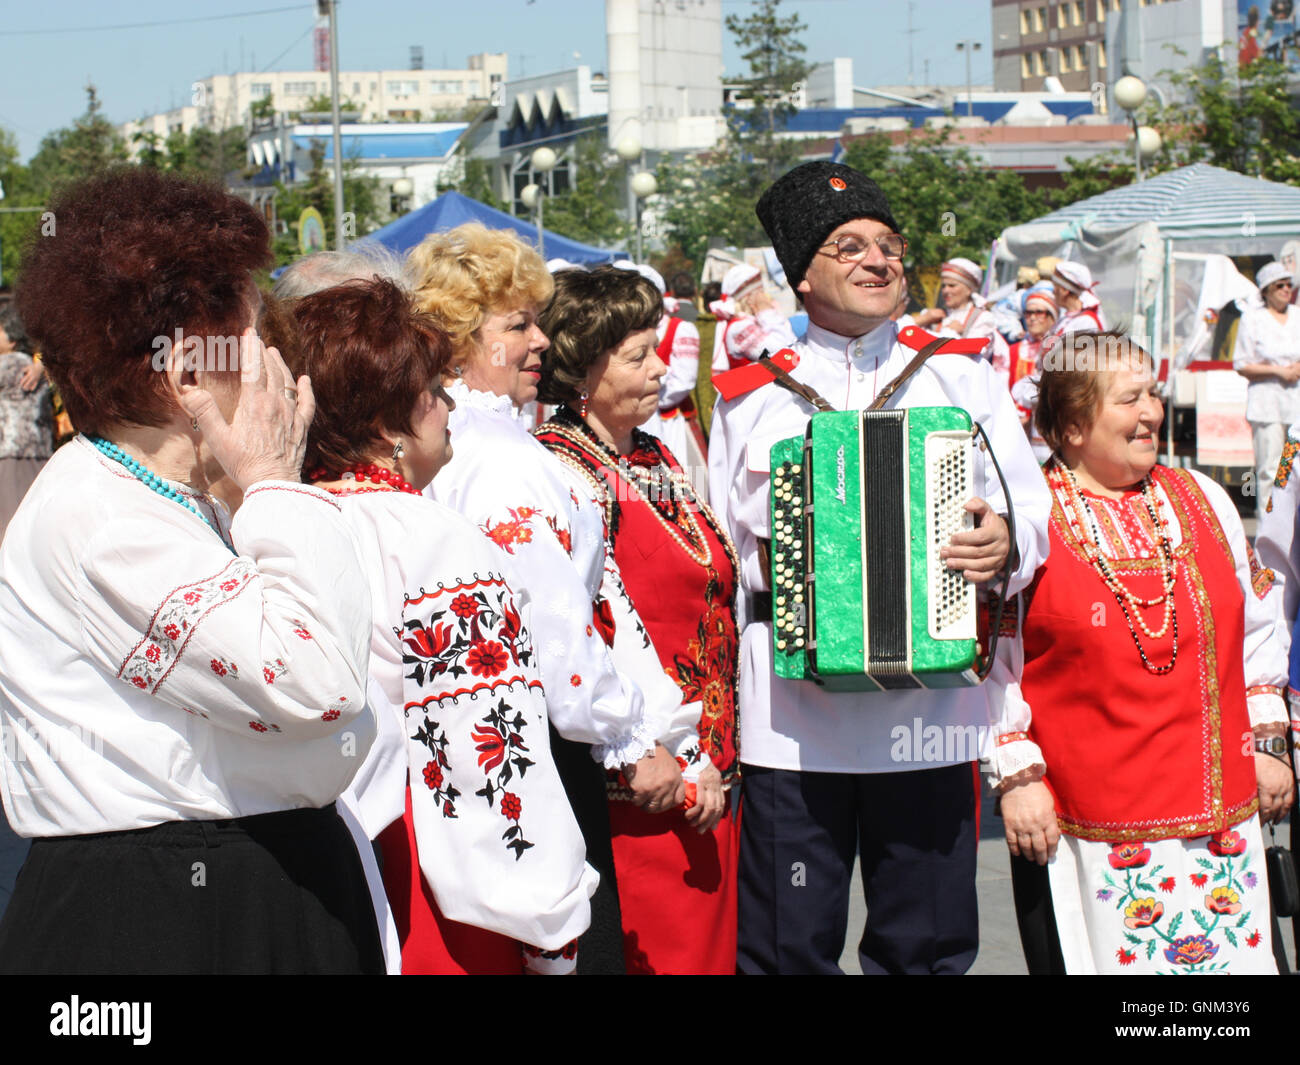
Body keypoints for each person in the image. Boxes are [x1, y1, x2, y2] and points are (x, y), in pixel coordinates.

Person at [0, 167, 381, 974]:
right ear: (185, 376)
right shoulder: (104, 518)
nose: (279, 367)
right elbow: (317, 683)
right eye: (257, 339)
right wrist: (276, 482)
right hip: (165, 915)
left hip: (232, 889)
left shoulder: (166, 497)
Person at [709, 160, 1051, 974]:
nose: (880, 261)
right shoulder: (751, 397)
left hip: (928, 721)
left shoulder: (963, 378)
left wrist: (1006, 542)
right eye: (850, 245)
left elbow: (1036, 518)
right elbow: (717, 554)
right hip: (790, 726)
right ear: (801, 275)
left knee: (925, 947)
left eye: (890, 244)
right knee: (788, 949)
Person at [286, 277, 596, 974]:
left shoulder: (282, 518)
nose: (449, 406)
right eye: (432, 390)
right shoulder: (433, 539)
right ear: (388, 422)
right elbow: (488, 752)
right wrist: (550, 924)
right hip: (428, 878)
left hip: (318, 864)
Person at [408, 223, 689, 974]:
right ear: (462, 335)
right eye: (517, 324)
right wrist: (629, 740)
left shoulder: (462, 436)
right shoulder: (496, 455)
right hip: (537, 741)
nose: (540, 341)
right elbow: (554, 623)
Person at [997, 331, 1291, 974]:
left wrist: (1268, 744)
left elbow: (1258, 625)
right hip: (1087, 822)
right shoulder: (1030, 519)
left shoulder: (1204, 500)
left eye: (1153, 395)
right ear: (1074, 425)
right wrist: (1017, 776)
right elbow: (992, 661)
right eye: (1130, 399)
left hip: (1221, 816)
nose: (1153, 412)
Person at [534, 266, 740, 974]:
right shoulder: (565, 471)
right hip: (640, 787)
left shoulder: (651, 453)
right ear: (584, 366)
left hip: (704, 773)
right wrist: (669, 748)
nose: (662, 368)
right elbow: (592, 628)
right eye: (638, 355)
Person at [625, 264, 707, 492]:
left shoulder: (680, 328)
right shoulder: (628, 330)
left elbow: (684, 381)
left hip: (669, 418)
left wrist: (653, 399)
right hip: (638, 415)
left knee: (679, 478)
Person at [1234, 261, 1300, 517]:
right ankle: (1269, 525)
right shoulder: (1253, 318)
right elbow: (1241, 363)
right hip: (1266, 401)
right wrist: (1278, 371)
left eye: (1288, 285)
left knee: (1294, 465)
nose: (1286, 290)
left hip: (1295, 399)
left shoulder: (1297, 315)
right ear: (1267, 290)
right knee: (1270, 467)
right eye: (1280, 285)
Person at [0, 306, 53, 539]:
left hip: (12, 452)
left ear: (12, 340)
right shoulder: (32, 367)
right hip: (39, 452)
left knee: (8, 524)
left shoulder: (9, 364)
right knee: (30, 521)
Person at [914, 258, 1007, 365]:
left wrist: (950, 334)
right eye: (943, 286)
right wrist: (922, 320)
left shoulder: (983, 319)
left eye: (952, 285)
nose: (945, 290)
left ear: (969, 289)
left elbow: (972, 359)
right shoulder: (933, 315)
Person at [708, 263, 797, 373]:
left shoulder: (751, 322)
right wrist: (766, 313)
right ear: (750, 298)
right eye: (760, 293)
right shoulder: (739, 327)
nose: (765, 297)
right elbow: (785, 355)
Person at [1048, 261, 1105, 338]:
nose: (1053, 291)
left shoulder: (1086, 322)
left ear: (1064, 290)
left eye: (1055, 286)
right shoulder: (1066, 319)